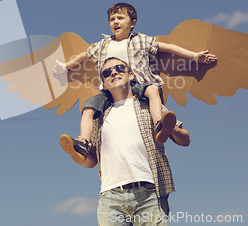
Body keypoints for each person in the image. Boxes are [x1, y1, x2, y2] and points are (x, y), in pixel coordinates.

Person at [54, 3, 216, 164]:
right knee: (89, 107)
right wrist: (65, 67)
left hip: (137, 84)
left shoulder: (142, 40)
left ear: (132, 23)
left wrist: (195, 56)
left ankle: (159, 123)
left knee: (152, 89)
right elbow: (83, 56)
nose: (115, 22)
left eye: (120, 18)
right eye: (112, 19)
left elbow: (169, 48)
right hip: (109, 90)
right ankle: (83, 142)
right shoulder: (102, 45)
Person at [81, 57, 188, 225]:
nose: (114, 72)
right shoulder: (100, 117)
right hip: (111, 198)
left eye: (119, 68)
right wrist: (82, 155)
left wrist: (171, 128)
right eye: (107, 72)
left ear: (131, 75)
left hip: (149, 195)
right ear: (103, 84)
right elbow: (92, 162)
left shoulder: (148, 105)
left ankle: (161, 126)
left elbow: (185, 139)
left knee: (161, 122)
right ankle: (79, 148)